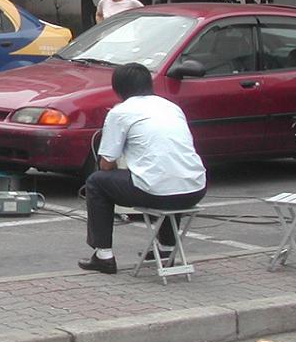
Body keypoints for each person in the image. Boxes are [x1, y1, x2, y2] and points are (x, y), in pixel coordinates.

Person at [78, 63, 206, 274]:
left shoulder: (120, 112)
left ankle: (103, 255)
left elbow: (106, 163)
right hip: (195, 189)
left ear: (118, 89)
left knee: (96, 182)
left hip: (157, 192)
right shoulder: (171, 107)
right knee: (165, 177)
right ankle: (166, 248)